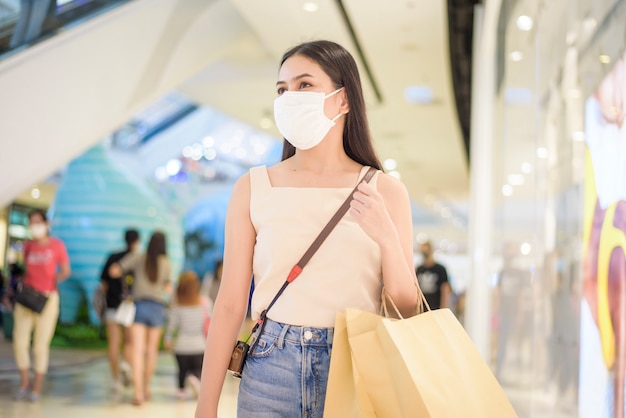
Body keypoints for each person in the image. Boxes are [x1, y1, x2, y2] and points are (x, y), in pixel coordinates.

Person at [195, 40, 419, 418]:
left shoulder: (385, 191)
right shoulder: (253, 186)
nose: (289, 98)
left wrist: (387, 238)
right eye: (282, 89)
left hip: (356, 365)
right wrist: (206, 405)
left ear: (343, 99)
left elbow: (407, 307)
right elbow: (231, 302)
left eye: (304, 85)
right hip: (270, 365)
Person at [12, 209, 70, 402]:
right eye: (31, 223)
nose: (34, 226)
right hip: (27, 296)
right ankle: (24, 382)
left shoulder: (57, 245)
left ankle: (36, 387)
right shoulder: (27, 246)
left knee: (40, 346)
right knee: (19, 341)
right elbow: (25, 269)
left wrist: (53, 280)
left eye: (38, 222)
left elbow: (65, 271)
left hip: (48, 298)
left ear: (46, 224)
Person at [109, 231, 171, 406]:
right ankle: (146, 387)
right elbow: (167, 288)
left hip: (140, 306)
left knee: (137, 350)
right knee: (151, 351)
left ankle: (137, 394)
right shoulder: (166, 263)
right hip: (158, 307)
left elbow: (114, 271)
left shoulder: (138, 257)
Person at [99, 228, 140, 393]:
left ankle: (115, 380)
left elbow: (104, 283)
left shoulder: (113, 257)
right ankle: (126, 365)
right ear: (137, 241)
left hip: (112, 306)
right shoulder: (137, 259)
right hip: (130, 307)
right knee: (130, 342)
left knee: (113, 344)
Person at [164, 271, 207, 400]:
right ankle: (195, 379)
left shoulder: (177, 305)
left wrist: (168, 338)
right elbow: (209, 321)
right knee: (197, 369)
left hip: (181, 346)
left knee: (182, 370)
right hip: (199, 345)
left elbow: (171, 325)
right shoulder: (204, 303)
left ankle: (181, 391)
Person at [415, 241, 451, 310]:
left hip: (436, 308)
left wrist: (443, 308)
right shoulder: (419, 269)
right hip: (422, 308)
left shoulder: (440, 269)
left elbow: (445, 288)